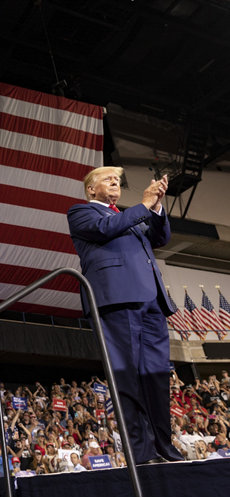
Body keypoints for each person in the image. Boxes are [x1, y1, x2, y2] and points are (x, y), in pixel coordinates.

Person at [67, 166, 182, 465]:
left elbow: (160, 237)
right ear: (91, 190)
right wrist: (143, 204)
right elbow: (105, 230)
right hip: (117, 301)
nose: (115, 182)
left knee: (156, 377)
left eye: (117, 179)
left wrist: (156, 207)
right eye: (108, 179)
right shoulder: (81, 213)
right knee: (127, 378)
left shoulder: (131, 216)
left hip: (152, 301)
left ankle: (164, 447)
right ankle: (141, 453)